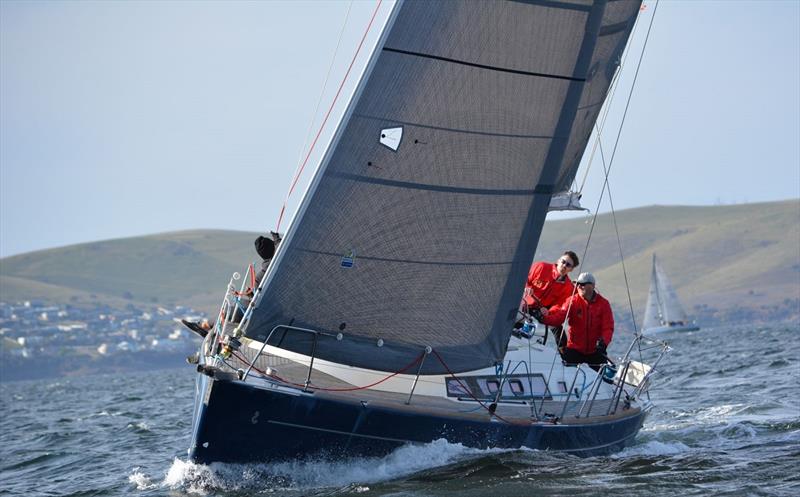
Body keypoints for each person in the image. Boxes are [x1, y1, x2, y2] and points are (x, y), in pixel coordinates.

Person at [182, 231, 281, 337]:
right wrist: (277, 239)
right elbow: (280, 247)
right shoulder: (283, 258)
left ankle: (206, 327)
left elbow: (259, 300)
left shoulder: (262, 275)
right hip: (277, 308)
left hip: (268, 311)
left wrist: (251, 294)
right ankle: (206, 327)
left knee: (228, 311)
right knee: (231, 310)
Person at [539, 272, 614, 372]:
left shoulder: (604, 304)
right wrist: (543, 318)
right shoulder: (572, 301)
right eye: (577, 284)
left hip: (595, 350)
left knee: (603, 380)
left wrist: (603, 343)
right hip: (575, 349)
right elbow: (559, 317)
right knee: (564, 373)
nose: (579, 286)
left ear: (592, 286)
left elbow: (608, 327)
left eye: (582, 284)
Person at [518, 251, 579, 345]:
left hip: (541, 310)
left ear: (571, 269)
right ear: (558, 261)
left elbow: (559, 305)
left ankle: (565, 356)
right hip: (524, 303)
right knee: (517, 321)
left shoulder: (568, 287)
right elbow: (523, 277)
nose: (564, 266)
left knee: (558, 329)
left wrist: (549, 312)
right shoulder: (541, 267)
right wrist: (527, 287)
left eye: (568, 265)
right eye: (563, 262)